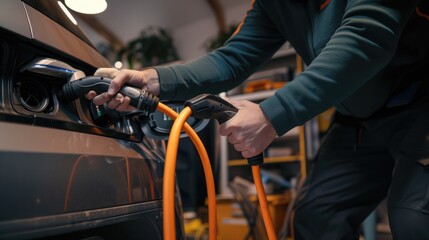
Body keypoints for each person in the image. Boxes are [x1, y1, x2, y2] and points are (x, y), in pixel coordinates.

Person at [88, 0, 429, 239]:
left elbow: (367, 36)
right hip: (359, 121)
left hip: (420, 104)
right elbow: (232, 59)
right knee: (316, 217)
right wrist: (153, 79)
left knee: (415, 220)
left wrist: (272, 114)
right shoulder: (272, 4)